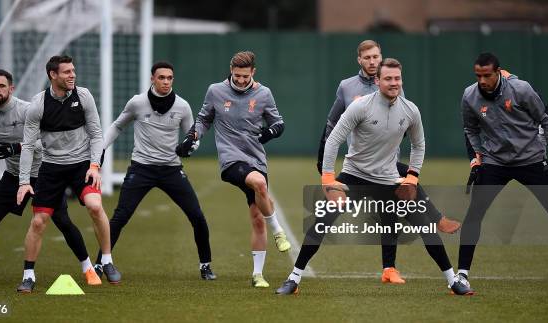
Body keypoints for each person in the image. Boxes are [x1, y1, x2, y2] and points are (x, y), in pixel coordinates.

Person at [276, 58, 470, 296]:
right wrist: (328, 179)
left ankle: (453, 281)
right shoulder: (360, 106)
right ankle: (293, 280)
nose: (393, 83)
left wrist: (412, 176)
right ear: (377, 81)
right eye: (388, 78)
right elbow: (334, 139)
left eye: (397, 78)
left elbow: (419, 145)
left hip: (389, 180)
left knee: (426, 227)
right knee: (321, 223)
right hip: (353, 176)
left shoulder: (410, 110)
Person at [315, 40, 461, 284]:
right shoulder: (346, 87)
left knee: (399, 201)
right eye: (368, 58)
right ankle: (434, 222)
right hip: (359, 167)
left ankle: (393, 266)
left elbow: (403, 122)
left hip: (388, 164)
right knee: (332, 215)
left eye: (376, 57)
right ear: (359, 60)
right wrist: (323, 160)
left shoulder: (392, 83)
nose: (372, 61)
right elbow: (332, 123)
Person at [0, 70, 89, 287]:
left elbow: (43, 141)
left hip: (42, 175)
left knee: (63, 221)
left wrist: (16, 147)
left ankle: (88, 268)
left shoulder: (27, 110)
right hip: (13, 176)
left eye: (1, 86)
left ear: (11, 88)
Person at [93, 61, 215, 280]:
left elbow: (193, 137)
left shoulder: (182, 106)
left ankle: (205, 266)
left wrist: (189, 147)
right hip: (141, 168)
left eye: (169, 78)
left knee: (197, 216)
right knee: (120, 216)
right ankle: (100, 264)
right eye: (161, 77)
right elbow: (117, 125)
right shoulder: (137, 103)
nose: (166, 82)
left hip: (171, 169)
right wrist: (101, 148)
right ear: (152, 79)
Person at [178, 51, 290, 288]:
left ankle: (258, 274)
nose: (240, 80)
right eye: (236, 75)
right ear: (231, 70)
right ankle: (279, 231)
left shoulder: (264, 94)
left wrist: (269, 133)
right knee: (259, 183)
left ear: (253, 73)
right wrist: (193, 136)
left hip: (256, 159)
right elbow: (204, 118)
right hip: (231, 161)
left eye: (244, 76)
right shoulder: (216, 91)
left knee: (257, 218)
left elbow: (278, 123)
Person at [15, 55, 120, 292]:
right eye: (66, 72)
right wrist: (23, 182)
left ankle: (107, 260)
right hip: (51, 168)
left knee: (95, 205)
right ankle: (28, 275)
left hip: (81, 164)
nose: (72, 75)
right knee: (39, 221)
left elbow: (96, 134)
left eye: (73, 71)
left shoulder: (84, 97)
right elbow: (29, 146)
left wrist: (94, 166)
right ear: (53, 75)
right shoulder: (38, 104)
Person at [457, 53, 548, 294]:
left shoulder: (521, 89)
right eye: (478, 75)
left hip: (531, 160)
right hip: (495, 162)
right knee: (474, 215)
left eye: (487, 75)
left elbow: (545, 119)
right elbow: (470, 128)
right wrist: (476, 157)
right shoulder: (470, 96)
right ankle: (462, 275)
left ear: (499, 72)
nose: (482, 80)